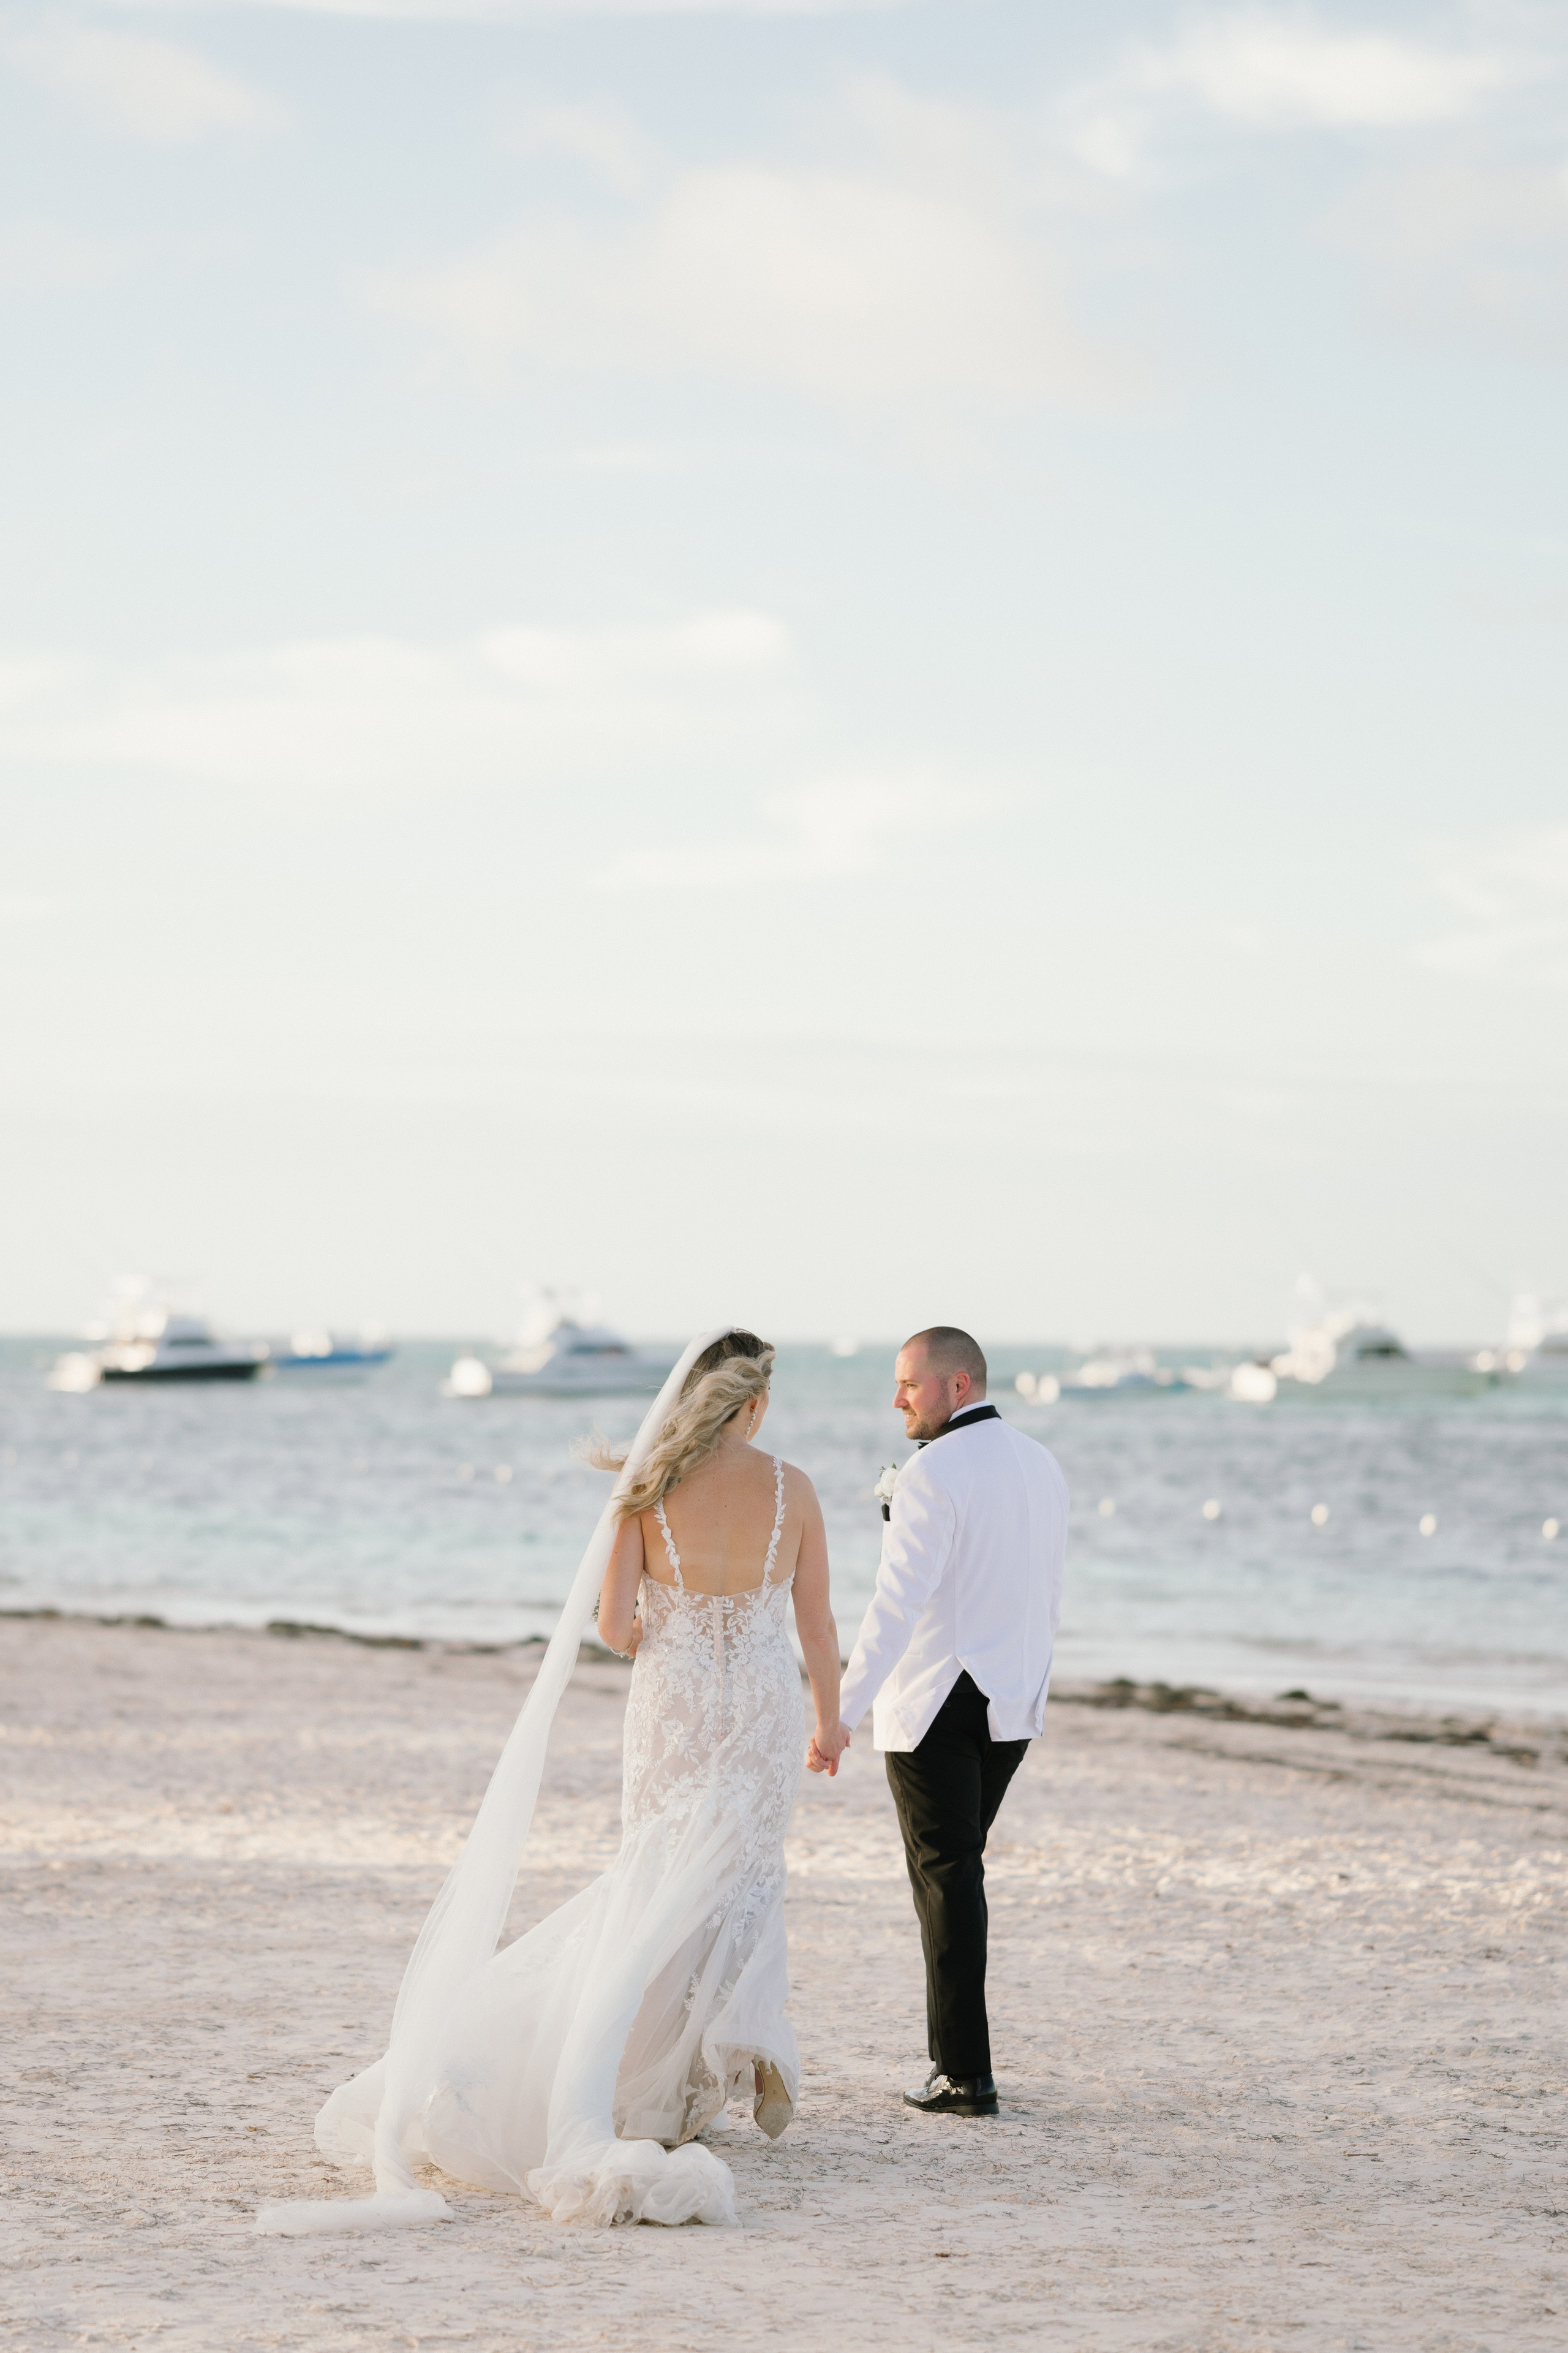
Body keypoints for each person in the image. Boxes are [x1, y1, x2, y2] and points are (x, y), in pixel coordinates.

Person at [258, 1327, 844, 2236]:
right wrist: (830, 1719)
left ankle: (645, 2081)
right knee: (742, 1881)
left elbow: (616, 1625)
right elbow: (817, 1624)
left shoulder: (646, 1487)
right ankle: (700, 2080)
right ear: (757, 1402)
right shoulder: (793, 1488)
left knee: (650, 1879)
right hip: (763, 1707)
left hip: (674, 1707)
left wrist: (674, 1626)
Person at [809, 1325, 1067, 2118]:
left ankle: (964, 2073)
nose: (897, 1399)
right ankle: (959, 2063)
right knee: (955, 1877)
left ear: (959, 1385)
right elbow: (1042, 1590)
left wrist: (839, 1712)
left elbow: (896, 1605)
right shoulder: (1043, 1463)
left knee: (947, 1880)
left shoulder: (931, 1473)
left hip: (937, 1706)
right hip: (1013, 1704)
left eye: (908, 1384)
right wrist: (1032, 1685)